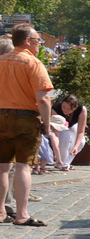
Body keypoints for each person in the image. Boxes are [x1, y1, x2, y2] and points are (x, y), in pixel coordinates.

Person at [0, 25, 54, 226]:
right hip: (25, 119)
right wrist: (47, 125)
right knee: (23, 166)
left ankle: (1, 212)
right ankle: (22, 214)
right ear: (27, 41)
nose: (40, 43)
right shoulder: (32, 63)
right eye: (37, 39)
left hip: (0, 117)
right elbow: (43, 99)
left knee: (2, 167)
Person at [49, 92, 87, 170]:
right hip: (60, 126)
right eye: (63, 107)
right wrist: (56, 152)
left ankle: (67, 163)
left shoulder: (82, 109)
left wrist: (76, 146)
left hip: (73, 124)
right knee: (64, 136)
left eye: (69, 109)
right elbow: (55, 129)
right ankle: (60, 163)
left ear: (75, 107)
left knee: (81, 142)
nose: (65, 110)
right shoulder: (56, 107)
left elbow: (81, 131)